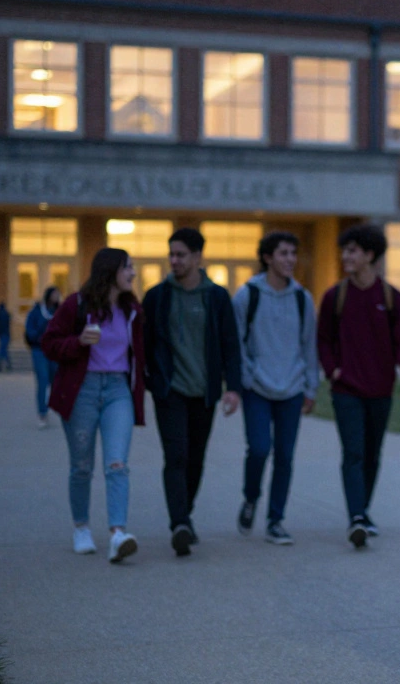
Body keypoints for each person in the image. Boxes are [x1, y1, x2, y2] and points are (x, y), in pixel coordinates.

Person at [316, 224, 400, 549]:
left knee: (372, 454)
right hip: (346, 390)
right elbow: (323, 340)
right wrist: (332, 370)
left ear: (369, 255)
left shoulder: (391, 298)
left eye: (352, 250)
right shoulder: (336, 296)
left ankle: (363, 511)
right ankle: (357, 518)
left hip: (380, 390)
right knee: (354, 452)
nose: (346, 256)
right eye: (345, 250)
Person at [42, 248, 146, 564]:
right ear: (111, 271)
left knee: (117, 463)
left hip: (118, 391)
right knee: (82, 467)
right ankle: (81, 528)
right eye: (128, 268)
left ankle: (117, 534)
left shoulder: (132, 310)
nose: (133, 273)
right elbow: (48, 343)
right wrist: (77, 342)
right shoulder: (76, 304)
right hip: (83, 390)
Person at [142, 228, 242, 557]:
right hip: (170, 390)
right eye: (171, 254)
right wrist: (149, 379)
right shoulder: (157, 296)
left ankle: (185, 516)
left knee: (195, 459)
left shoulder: (216, 297)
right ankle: (180, 524)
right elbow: (144, 342)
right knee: (177, 456)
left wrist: (233, 389)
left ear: (198, 257)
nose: (174, 260)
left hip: (204, 392)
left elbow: (230, 345)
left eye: (181, 255)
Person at [232, 231, 317, 546]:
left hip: (292, 389)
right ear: (267, 257)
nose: (290, 259)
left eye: (293, 253)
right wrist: (246, 377)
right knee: (258, 448)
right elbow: (236, 343)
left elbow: (309, 345)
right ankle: (251, 497)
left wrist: (311, 386)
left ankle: (275, 520)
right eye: (283, 253)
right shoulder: (247, 295)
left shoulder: (301, 298)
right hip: (257, 388)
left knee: (285, 456)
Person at [25, 286, 62, 428]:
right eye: (54, 295)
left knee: (56, 381)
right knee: (42, 381)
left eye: (58, 295)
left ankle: (58, 407)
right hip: (39, 351)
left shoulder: (59, 311)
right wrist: (42, 335)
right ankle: (42, 413)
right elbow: (30, 331)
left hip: (54, 351)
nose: (57, 297)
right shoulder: (36, 312)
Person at [0, 302, 12, 372]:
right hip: (6, 333)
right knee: (3, 349)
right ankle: (6, 364)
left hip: (2, 333)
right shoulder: (6, 314)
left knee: (2, 350)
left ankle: (1, 364)